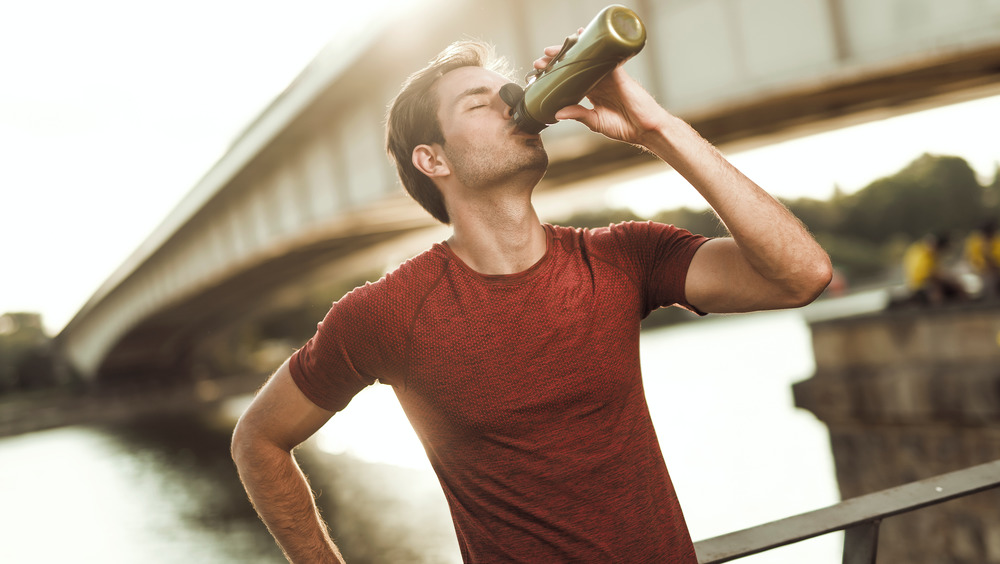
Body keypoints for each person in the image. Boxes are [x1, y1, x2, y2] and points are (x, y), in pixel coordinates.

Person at [231, 38, 832, 563]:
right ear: (432, 158)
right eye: (478, 103)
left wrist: (656, 130)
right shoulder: (386, 313)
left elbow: (800, 276)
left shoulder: (624, 257)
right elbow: (257, 439)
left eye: (512, 92)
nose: (514, 105)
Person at [902, 233, 965, 305]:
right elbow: (928, 275)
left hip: (916, 284)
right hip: (921, 285)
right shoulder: (925, 254)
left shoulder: (916, 249)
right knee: (946, 288)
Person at [964, 220, 1000, 299]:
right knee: (989, 280)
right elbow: (975, 261)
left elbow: (997, 261)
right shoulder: (975, 242)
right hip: (981, 272)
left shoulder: (997, 241)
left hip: (996, 270)